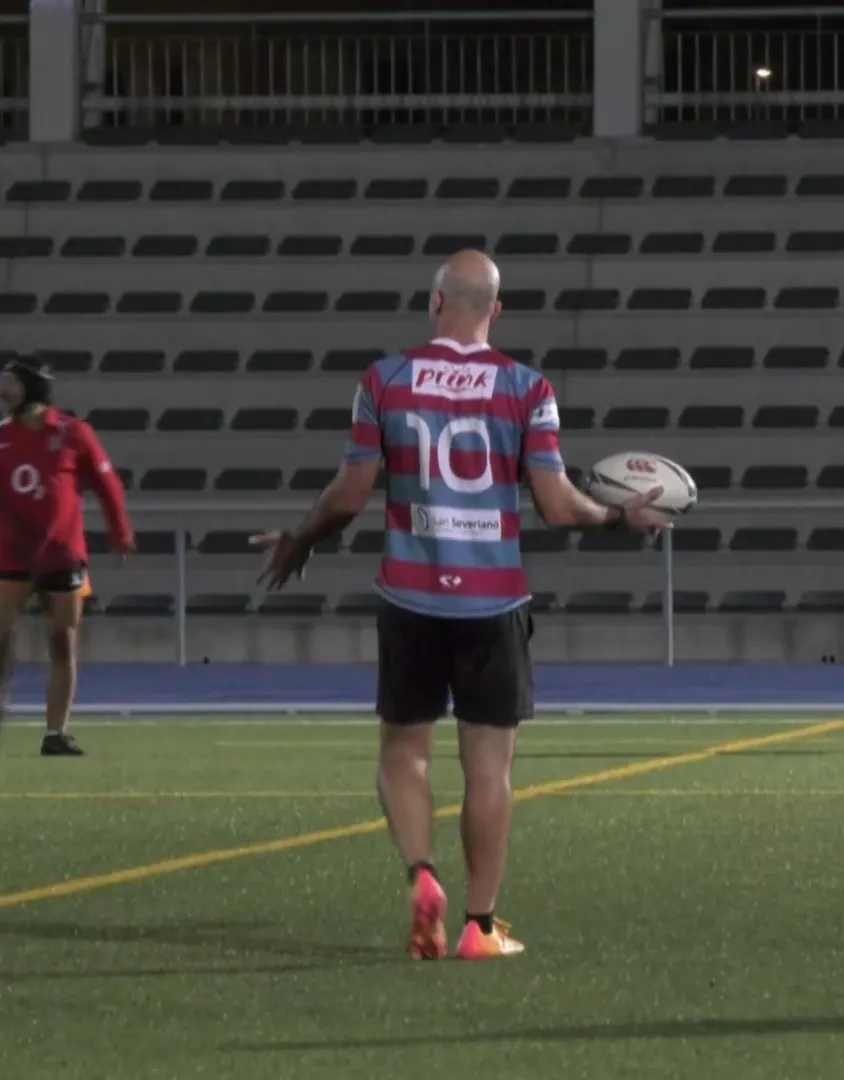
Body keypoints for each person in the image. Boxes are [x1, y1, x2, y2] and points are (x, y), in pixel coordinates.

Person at [255, 251, 668, 960]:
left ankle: (422, 875)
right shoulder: (527, 387)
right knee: (489, 770)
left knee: (403, 754)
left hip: (410, 596)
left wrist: (301, 538)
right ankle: (480, 927)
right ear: (496, 312)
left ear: (435, 302)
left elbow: (351, 496)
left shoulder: (384, 379)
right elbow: (556, 504)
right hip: (492, 602)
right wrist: (613, 517)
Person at [0, 359, 135, 756]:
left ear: (32, 389)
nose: (2, 392)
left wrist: (121, 530)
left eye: (10, 383)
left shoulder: (76, 434)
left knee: (62, 642)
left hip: (64, 554)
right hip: (12, 554)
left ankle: (56, 733)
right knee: (0, 634)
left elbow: (109, 484)